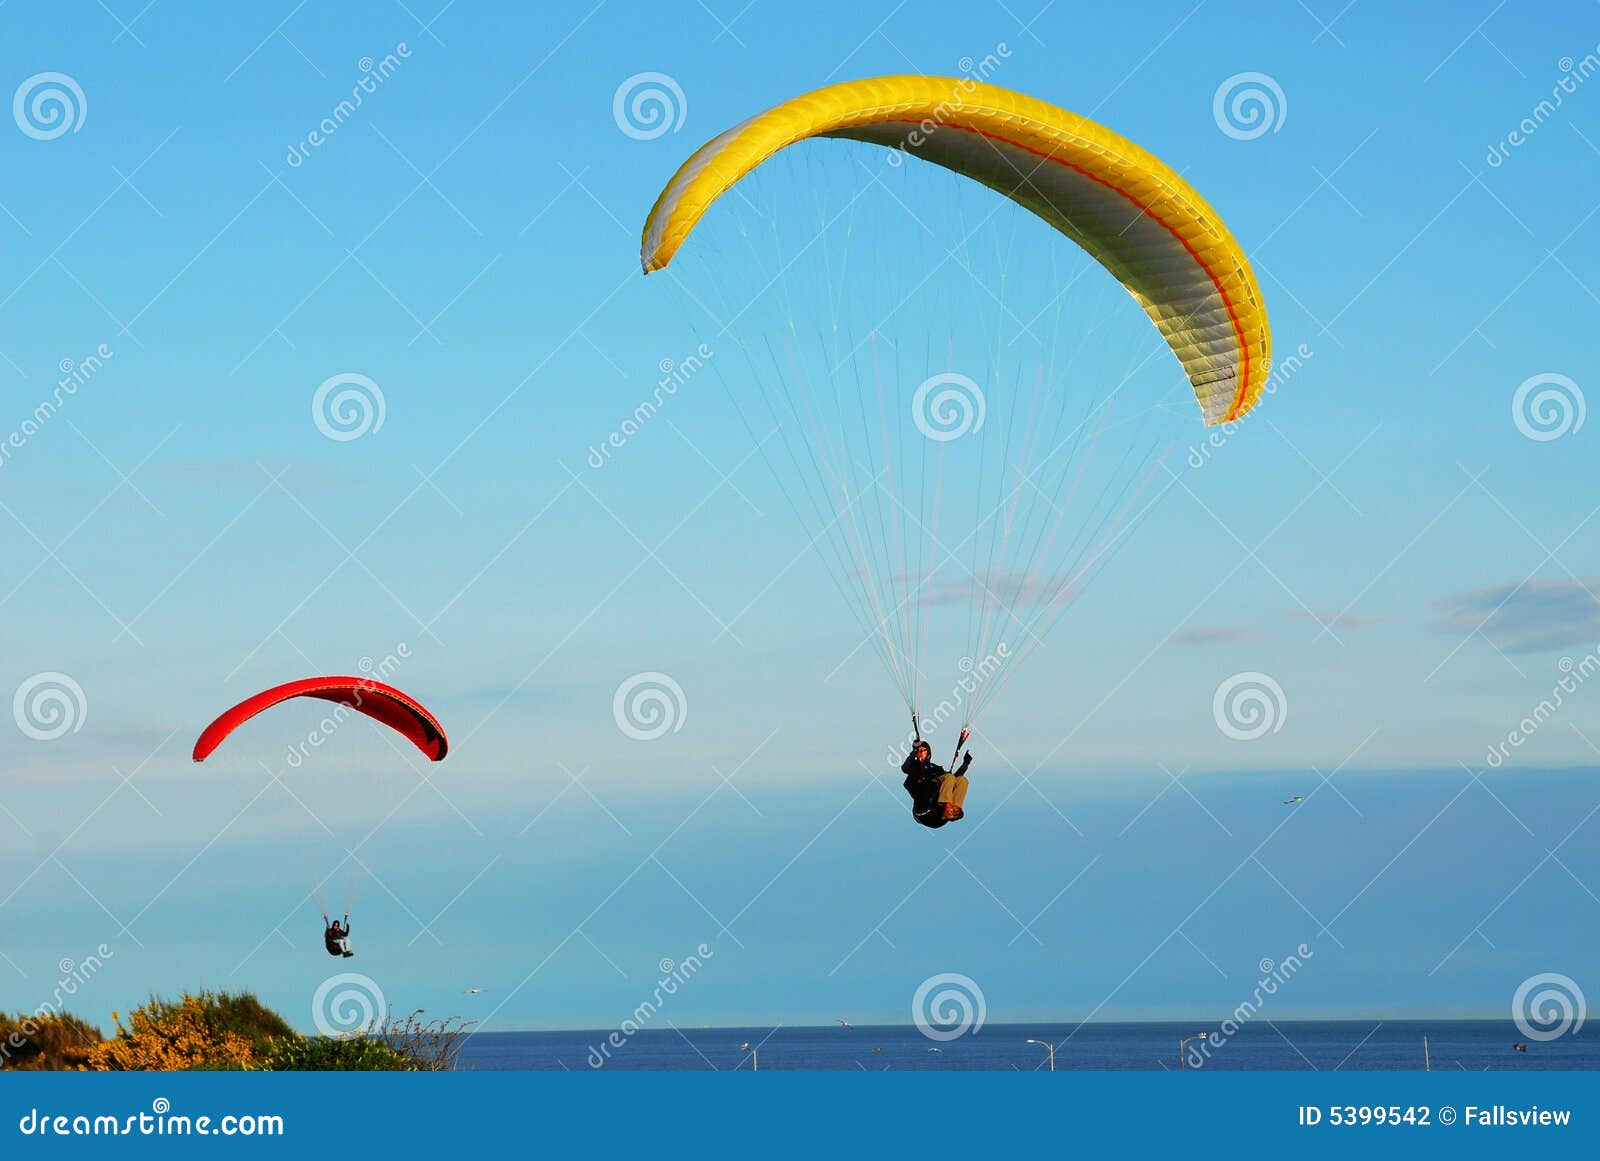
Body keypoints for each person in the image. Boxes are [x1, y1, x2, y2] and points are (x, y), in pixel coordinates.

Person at [901, 740, 973, 828]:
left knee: (962, 780)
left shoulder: (934, 768)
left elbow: (952, 781)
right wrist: (913, 754)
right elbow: (905, 769)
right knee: (948, 777)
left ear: (928, 753)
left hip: (934, 812)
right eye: (919, 751)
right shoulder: (915, 766)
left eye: (923, 750)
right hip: (923, 807)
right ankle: (947, 805)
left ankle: (953, 807)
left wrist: (965, 764)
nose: (920, 752)